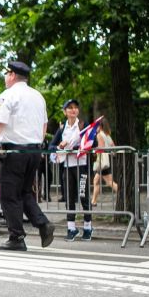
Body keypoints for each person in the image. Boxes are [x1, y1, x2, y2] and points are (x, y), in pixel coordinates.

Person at [0, 61, 55, 251]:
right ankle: (43, 223)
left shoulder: (7, 96)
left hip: (14, 151)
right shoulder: (38, 96)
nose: (5, 77)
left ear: (12, 75)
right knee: (24, 192)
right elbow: (44, 125)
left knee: (8, 194)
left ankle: (16, 237)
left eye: (7, 74)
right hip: (34, 150)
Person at [55, 99, 94, 241]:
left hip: (81, 166)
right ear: (65, 112)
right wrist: (60, 145)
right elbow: (53, 145)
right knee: (69, 198)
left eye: (75, 107)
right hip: (67, 167)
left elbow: (91, 144)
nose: (73, 110)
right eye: (70, 108)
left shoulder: (83, 126)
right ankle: (71, 228)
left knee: (84, 196)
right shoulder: (61, 129)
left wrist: (75, 148)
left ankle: (88, 227)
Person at [91, 118, 118, 207]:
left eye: (97, 126)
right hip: (106, 161)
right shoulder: (107, 135)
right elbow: (113, 148)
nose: (96, 128)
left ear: (100, 126)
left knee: (109, 182)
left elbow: (101, 148)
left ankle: (122, 193)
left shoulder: (99, 135)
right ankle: (93, 201)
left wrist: (94, 149)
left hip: (101, 161)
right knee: (97, 181)